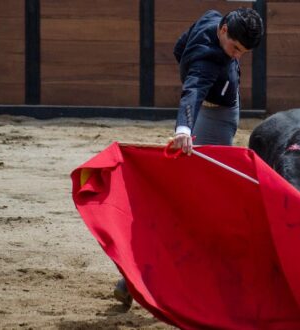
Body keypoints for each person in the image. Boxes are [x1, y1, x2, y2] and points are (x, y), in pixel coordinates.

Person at [113, 7, 264, 307]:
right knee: (206, 199)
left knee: (196, 194)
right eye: (235, 48)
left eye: (243, 52)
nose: (237, 57)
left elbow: (179, 47)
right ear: (223, 31)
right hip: (215, 115)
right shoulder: (208, 59)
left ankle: (134, 276)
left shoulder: (212, 17)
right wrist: (184, 126)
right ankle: (141, 274)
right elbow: (193, 88)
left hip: (214, 108)